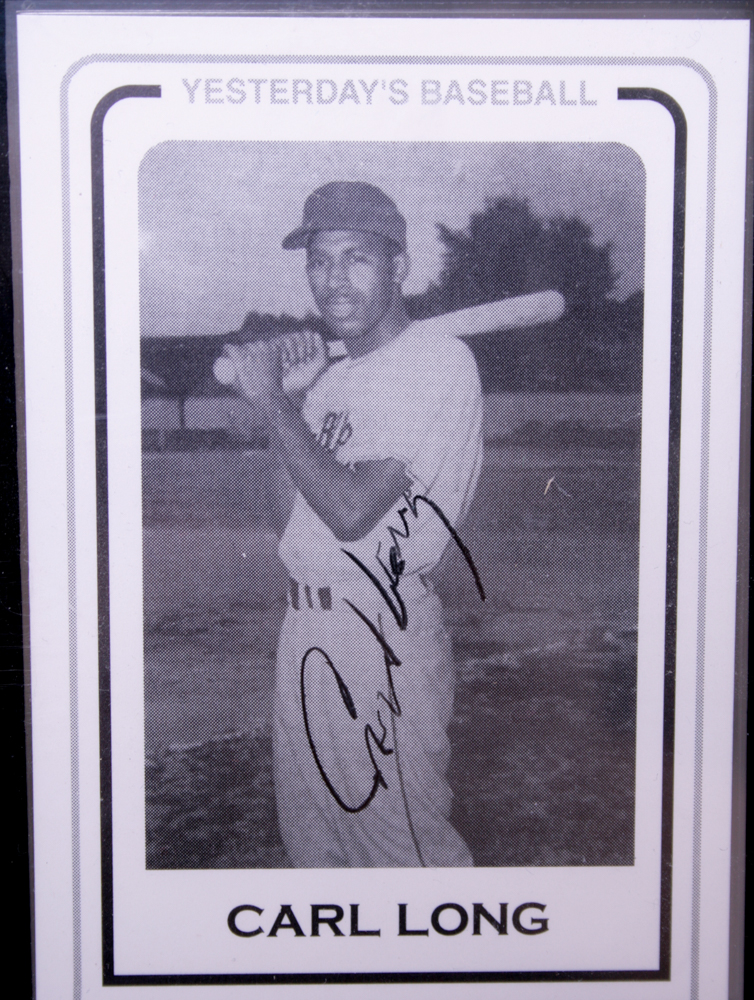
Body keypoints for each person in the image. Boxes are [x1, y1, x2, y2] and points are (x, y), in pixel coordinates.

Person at [226, 181, 483, 867]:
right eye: (319, 260)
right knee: (317, 853)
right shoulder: (335, 379)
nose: (332, 279)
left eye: (355, 258)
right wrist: (297, 400)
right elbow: (292, 524)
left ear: (398, 266)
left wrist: (276, 404)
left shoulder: (435, 360)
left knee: (401, 852)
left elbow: (349, 511)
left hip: (379, 634)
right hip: (305, 628)